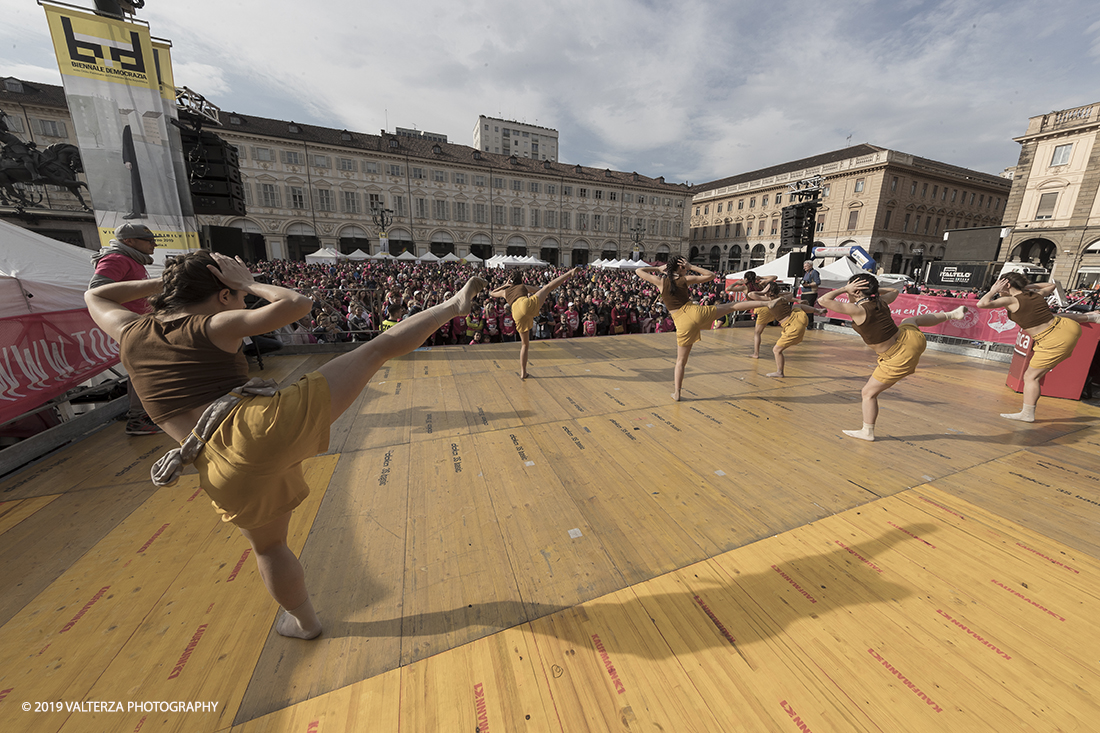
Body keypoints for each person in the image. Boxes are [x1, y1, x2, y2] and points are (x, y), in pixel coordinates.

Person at [84, 251, 486, 640]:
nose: (241, 299)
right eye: (236, 294)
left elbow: (95, 295)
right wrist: (248, 282)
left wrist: (175, 282)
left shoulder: (128, 330)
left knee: (270, 548)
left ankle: (304, 623)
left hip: (215, 464)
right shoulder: (213, 325)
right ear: (223, 293)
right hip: (262, 427)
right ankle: (451, 306)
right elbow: (297, 304)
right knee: (375, 350)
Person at [819, 272, 969, 441]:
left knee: (868, 394)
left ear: (856, 291)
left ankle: (867, 431)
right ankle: (951, 314)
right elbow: (894, 290)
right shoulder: (881, 301)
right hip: (912, 340)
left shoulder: (858, 310)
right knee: (910, 321)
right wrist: (870, 290)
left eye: (851, 287)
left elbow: (823, 301)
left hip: (898, 357)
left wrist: (844, 289)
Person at [636, 257, 787, 401]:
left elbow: (639, 271)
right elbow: (711, 275)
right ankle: (767, 304)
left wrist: (657, 268)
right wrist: (692, 267)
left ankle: (677, 393)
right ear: (682, 267)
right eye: (684, 268)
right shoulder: (685, 279)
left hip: (682, 323)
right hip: (696, 313)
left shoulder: (660, 281)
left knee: (680, 361)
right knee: (731, 306)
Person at [976, 274, 1099, 422]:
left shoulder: (1010, 300)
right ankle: (1091, 317)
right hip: (1068, 327)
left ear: (1007, 285)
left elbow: (982, 304)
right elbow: (1051, 286)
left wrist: (993, 291)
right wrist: (1027, 287)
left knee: (1031, 377)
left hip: (1053, 340)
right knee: (1054, 316)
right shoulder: (1034, 294)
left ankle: (1027, 413)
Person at [89, 223, 163, 436]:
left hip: (138, 323)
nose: (154, 244)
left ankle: (141, 414)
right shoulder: (116, 259)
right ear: (129, 241)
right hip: (130, 325)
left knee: (142, 370)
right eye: (148, 240)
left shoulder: (131, 260)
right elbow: (98, 291)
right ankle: (139, 418)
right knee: (143, 370)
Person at [489, 267, 577, 379]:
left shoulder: (505, 291)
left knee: (524, 344)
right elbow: (538, 289)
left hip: (516, 313)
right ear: (521, 280)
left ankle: (523, 372)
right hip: (525, 304)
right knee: (548, 287)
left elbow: (492, 293)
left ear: (510, 280)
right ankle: (569, 273)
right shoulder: (523, 286)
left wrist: (506, 285)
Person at [753, 281, 825, 378]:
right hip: (798, 319)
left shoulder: (767, 300)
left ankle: (779, 372)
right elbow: (790, 294)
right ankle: (817, 311)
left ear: (768, 291)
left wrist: (762, 292)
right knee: (796, 306)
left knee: (776, 350)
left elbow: (751, 294)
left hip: (792, 327)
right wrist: (778, 293)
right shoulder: (783, 298)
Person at [727, 271, 779, 358]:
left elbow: (728, 289)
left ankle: (756, 353)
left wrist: (736, 282)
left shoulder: (745, 288)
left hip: (761, 309)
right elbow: (774, 277)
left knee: (757, 333)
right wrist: (761, 277)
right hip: (772, 308)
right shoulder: (760, 284)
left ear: (746, 279)